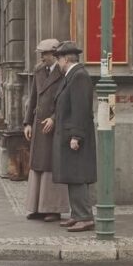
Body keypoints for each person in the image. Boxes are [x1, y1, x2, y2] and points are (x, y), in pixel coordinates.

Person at [52, 41, 96, 232]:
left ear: (66, 59)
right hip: (69, 135)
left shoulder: (79, 77)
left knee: (78, 177)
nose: (58, 64)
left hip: (75, 137)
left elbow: (80, 110)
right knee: (72, 176)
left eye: (59, 59)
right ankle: (77, 214)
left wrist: (76, 136)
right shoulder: (72, 76)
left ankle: (85, 217)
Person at [23, 39, 69, 222]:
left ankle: (53, 208)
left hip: (53, 126)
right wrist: (27, 122)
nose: (42, 57)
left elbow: (66, 101)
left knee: (51, 165)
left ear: (55, 54)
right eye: (41, 53)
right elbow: (33, 97)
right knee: (37, 165)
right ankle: (36, 207)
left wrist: (55, 118)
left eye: (45, 54)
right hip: (38, 123)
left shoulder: (63, 72)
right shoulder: (39, 70)